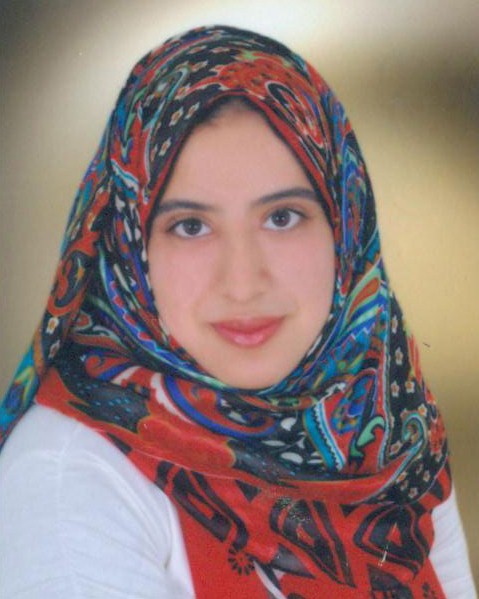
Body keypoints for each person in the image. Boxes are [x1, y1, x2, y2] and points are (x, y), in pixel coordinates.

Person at [0, 25, 475, 599]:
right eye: (190, 226)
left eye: (282, 217)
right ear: (126, 248)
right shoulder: (70, 477)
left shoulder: (388, 426)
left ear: (346, 230)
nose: (244, 282)